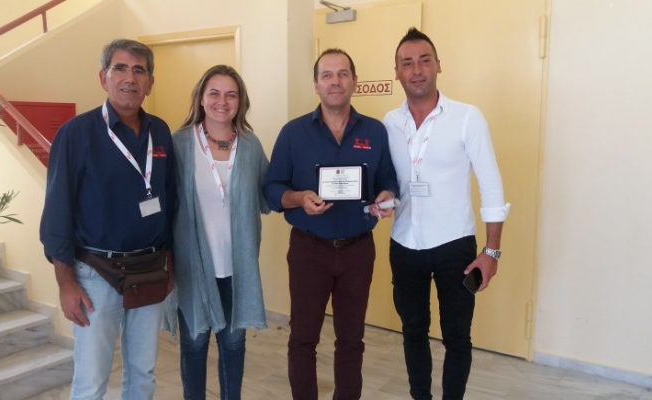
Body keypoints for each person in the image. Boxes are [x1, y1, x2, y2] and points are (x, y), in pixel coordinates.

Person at [40, 39, 174, 400]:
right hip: (96, 274)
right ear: (103, 77)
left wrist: (170, 262)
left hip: (150, 270)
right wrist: (66, 283)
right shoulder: (76, 134)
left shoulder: (160, 132)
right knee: (91, 380)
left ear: (150, 82)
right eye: (120, 68)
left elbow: (171, 200)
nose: (130, 78)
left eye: (139, 70)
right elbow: (56, 213)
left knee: (143, 374)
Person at [382, 27, 511, 400]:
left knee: (457, 336)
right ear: (397, 71)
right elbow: (388, 180)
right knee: (413, 331)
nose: (416, 70)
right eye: (407, 63)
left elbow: (492, 186)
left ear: (438, 65)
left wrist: (491, 251)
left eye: (424, 60)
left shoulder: (467, 118)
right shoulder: (389, 123)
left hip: (455, 246)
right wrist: (382, 199)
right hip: (404, 244)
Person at [263, 48, 398, 400]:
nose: (335, 81)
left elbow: (389, 179)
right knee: (303, 338)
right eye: (327, 75)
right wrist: (298, 198)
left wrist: (387, 195)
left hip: (357, 251)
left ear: (354, 81)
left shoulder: (375, 132)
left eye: (342, 74)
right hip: (309, 250)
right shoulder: (293, 133)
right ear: (316, 85)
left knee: (351, 339)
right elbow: (272, 188)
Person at [167, 65, 269, 400]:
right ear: (201, 97)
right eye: (214, 93)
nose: (222, 102)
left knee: (233, 345)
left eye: (231, 95)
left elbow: (270, 192)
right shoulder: (180, 144)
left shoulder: (250, 146)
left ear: (241, 101)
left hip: (238, 269)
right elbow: (165, 204)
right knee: (195, 344)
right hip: (193, 268)